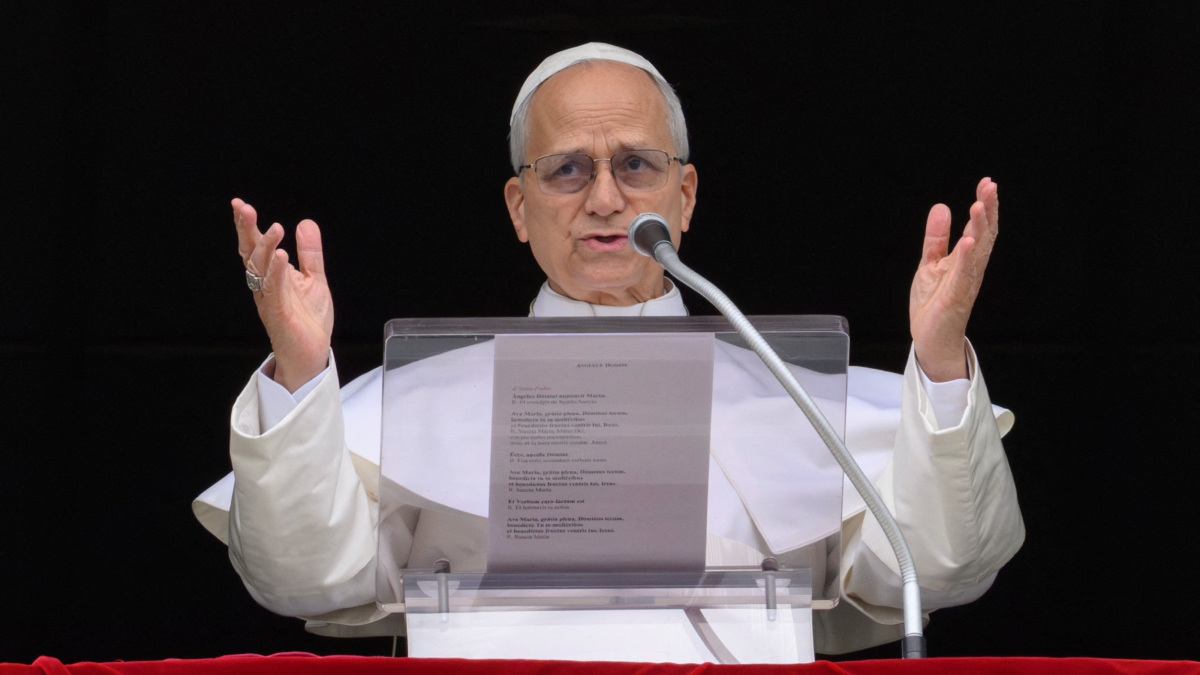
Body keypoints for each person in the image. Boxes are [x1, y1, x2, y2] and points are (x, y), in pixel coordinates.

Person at [193, 43, 1023, 657]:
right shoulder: (421, 405)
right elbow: (303, 580)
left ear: (684, 195)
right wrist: (302, 373)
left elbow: (940, 570)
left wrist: (940, 360)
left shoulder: (788, 396)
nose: (603, 197)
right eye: (566, 170)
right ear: (518, 207)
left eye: (634, 164)